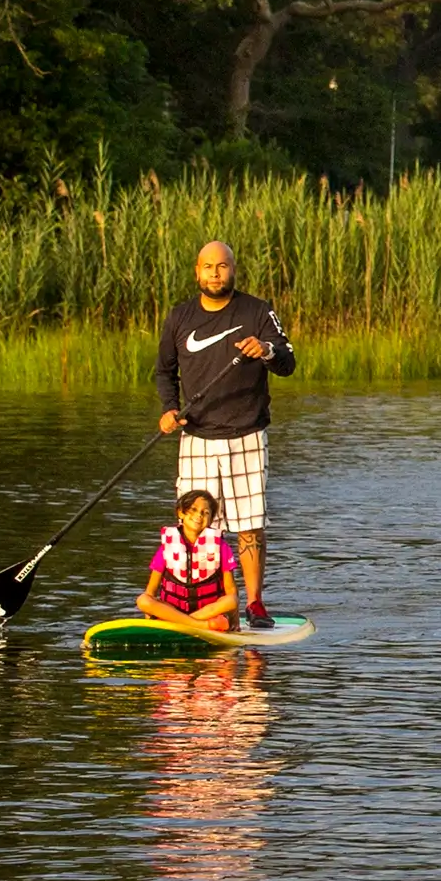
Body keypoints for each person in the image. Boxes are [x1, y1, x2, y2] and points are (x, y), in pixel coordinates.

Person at [154, 240, 297, 628]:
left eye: (222, 266)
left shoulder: (257, 310)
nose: (215, 273)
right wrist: (169, 409)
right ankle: (213, 605)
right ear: (197, 272)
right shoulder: (180, 317)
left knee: (249, 524)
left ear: (233, 269)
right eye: (208, 267)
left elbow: (287, 362)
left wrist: (266, 349)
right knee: (200, 527)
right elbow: (164, 372)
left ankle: (254, 604)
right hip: (197, 436)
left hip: (247, 434)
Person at [137, 489, 240, 632]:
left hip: (205, 613)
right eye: (193, 509)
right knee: (143, 600)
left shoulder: (221, 547)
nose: (199, 515)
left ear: (211, 520)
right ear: (181, 513)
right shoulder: (167, 547)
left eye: (206, 512)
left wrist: (235, 621)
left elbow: (230, 589)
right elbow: (150, 591)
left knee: (232, 600)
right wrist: (149, 620)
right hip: (175, 611)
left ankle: (179, 624)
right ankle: (197, 626)